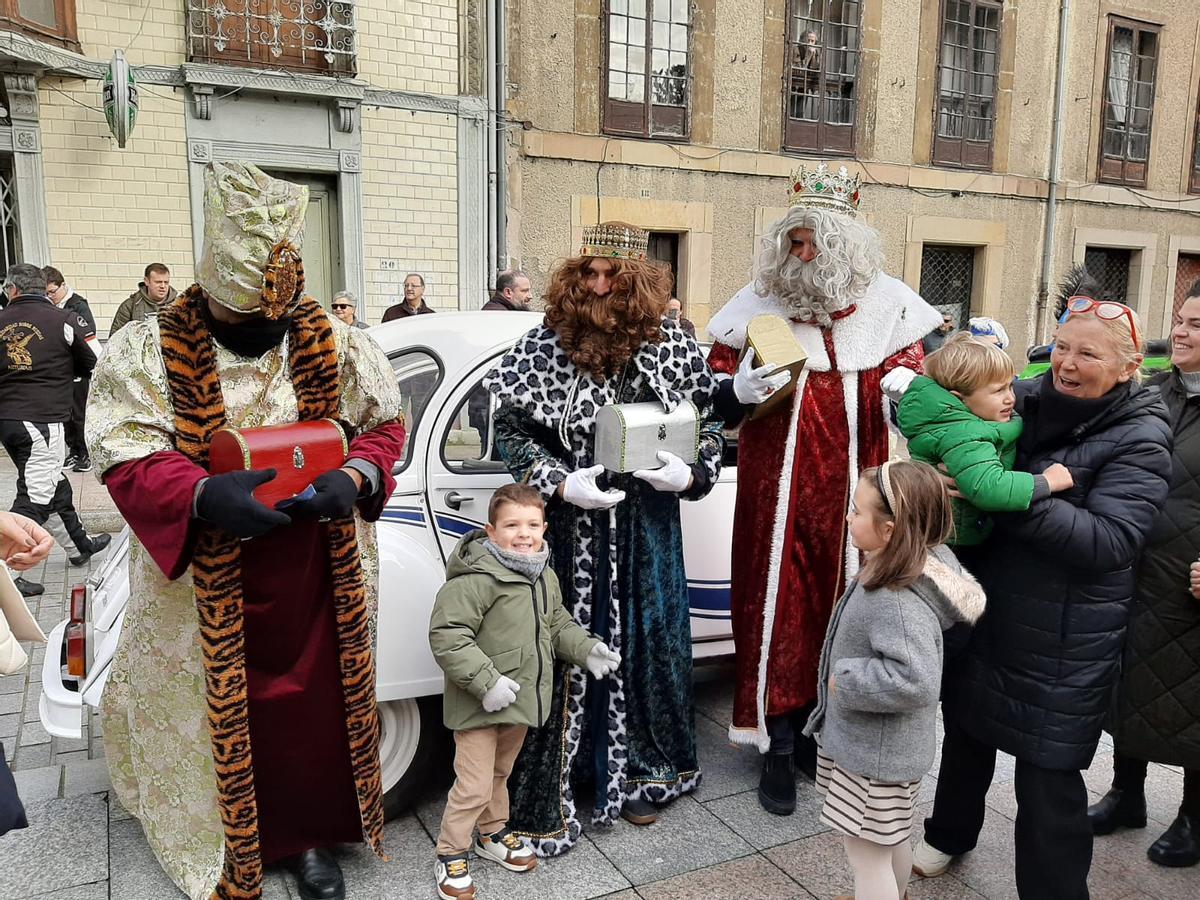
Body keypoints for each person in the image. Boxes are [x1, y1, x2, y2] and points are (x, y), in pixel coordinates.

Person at [86, 162, 407, 900]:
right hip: (205, 568)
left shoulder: (331, 336)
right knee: (213, 708)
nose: (268, 333)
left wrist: (355, 477)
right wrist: (198, 496)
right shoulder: (145, 348)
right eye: (248, 324)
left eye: (275, 322)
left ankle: (304, 840)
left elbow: (383, 426)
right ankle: (228, 838)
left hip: (317, 564)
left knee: (311, 707)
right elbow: (123, 449)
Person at [913, 299, 1172, 899]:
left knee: (1047, 776)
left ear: (1129, 367)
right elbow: (933, 414)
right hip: (987, 603)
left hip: (1067, 629)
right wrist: (930, 473)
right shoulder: (1020, 397)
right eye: (1061, 346)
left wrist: (1006, 499)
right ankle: (949, 834)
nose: (1067, 363)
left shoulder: (1140, 437)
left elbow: (1111, 540)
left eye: (1088, 354)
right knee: (968, 730)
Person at [706, 164, 941, 815]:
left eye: (811, 244)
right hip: (774, 501)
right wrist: (735, 391)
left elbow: (912, 383)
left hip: (857, 505)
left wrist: (904, 393)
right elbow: (712, 394)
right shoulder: (755, 303)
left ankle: (823, 734)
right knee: (777, 614)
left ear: (841, 246)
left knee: (849, 614)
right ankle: (777, 746)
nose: (799, 256)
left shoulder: (889, 305)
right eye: (793, 242)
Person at [484, 221, 725, 853]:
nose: (596, 286)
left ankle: (647, 772)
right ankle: (565, 779)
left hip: (648, 527)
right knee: (562, 647)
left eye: (610, 275)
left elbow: (707, 425)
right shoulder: (546, 342)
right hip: (569, 527)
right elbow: (508, 427)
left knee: (652, 645)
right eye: (587, 273)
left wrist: (690, 472)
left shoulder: (671, 340)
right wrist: (558, 482)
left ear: (638, 282)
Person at [429, 483, 621, 899]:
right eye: (512, 524)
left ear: (545, 529)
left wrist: (586, 649)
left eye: (532, 524)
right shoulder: (476, 579)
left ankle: (492, 833)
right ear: (491, 530)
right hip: (479, 704)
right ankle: (451, 852)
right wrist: (486, 682)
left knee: (501, 774)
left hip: (517, 701)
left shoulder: (541, 573)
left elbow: (557, 625)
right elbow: (448, 636)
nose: (523, 533)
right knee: (474, 784)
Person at [803, 460, 984, 900]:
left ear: (888, 530)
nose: (848, 517)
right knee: (890, 838)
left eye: (857, 511)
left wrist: (842, 679)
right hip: (884, 748)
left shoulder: (894, 598)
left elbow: (915, 680)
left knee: (866, 855)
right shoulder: (916, 563)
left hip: (874, 755)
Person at [1092, 285, 1200, 868]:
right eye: (1180, 320)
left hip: (1193, 579)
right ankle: (1125, 795)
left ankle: (1194, 817)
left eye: (1197, 325)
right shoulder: (1150, 392)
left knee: (1192, 699)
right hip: (1135, 567)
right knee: (1131, 682)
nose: (1180, 332)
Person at [897, 334, 1074, 549]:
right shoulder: (966, 435)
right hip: (951, 542)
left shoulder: (961, 420)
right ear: (959, 398)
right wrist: (1047, 482)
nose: (1010, 397)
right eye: (999, 390)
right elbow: (989, 488)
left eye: (1010, 386)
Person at [0, 264, 109, 599]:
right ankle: (6, 574)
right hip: (42, 420)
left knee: (51, 482)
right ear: (45, 289)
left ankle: (79, 546)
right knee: (34, 497)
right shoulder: (64, 320)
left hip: (9, 420)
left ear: (13, 290)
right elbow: (96, 360)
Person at [43, 266, 100, 472]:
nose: (50, 297)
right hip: (62, 371)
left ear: (63, 286)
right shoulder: (50, 307)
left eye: (52, 292)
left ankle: (85, 453)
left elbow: (87, 337)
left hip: (79, 369)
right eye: (45, 293)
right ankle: (74, 451)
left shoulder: (78, 305)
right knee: (67, 414)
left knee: (80, 413)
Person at [110, 263, 175, 335]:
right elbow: (114, 339)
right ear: (146, 281)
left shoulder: (180, 306)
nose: (163, 286)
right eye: (158, 282)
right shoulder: (130, 306)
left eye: (166, 282)